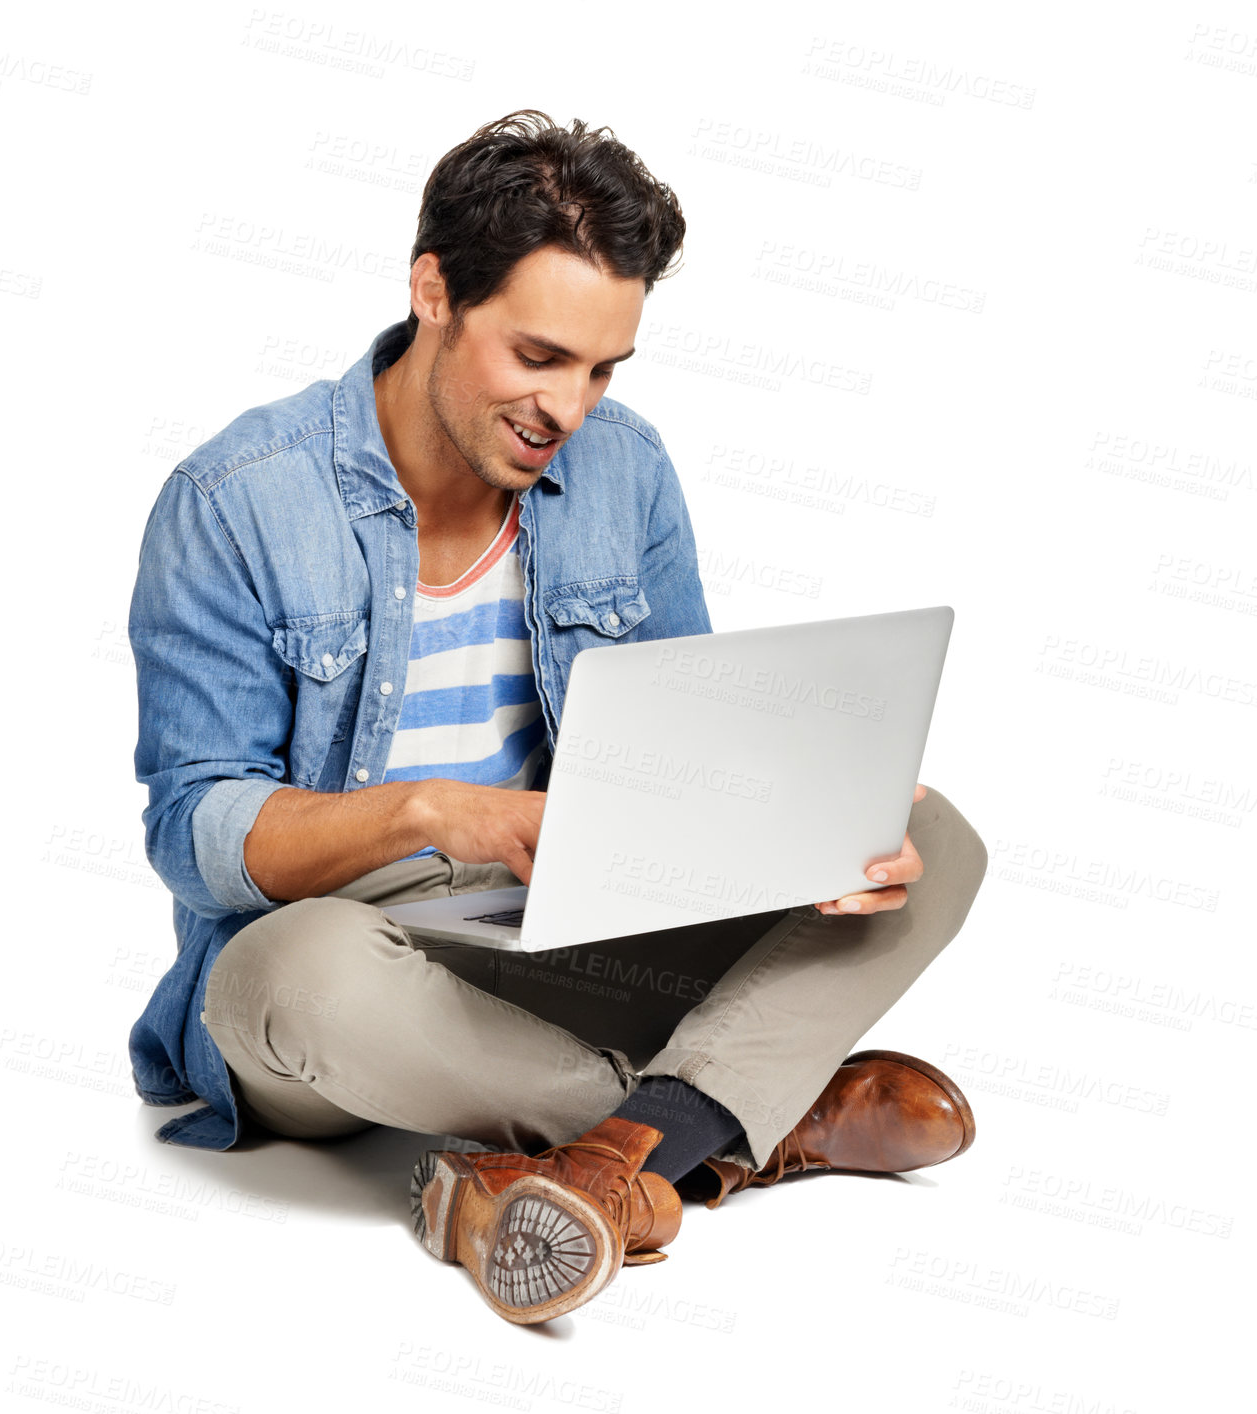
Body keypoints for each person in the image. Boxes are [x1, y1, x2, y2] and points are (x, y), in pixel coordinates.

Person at [126, 109, 990, 1325]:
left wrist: (810, 826)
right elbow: (196, 828)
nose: (569, 407)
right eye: (537, 356)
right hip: (348, 955)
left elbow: (697, 747)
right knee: (284, 978)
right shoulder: (237, 500)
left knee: (935, 835)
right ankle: (734, 1116)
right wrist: (434, 813)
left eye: (601, 369)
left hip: (574, 934)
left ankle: (586, 1160)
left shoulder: (626, 471)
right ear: (433, 290)